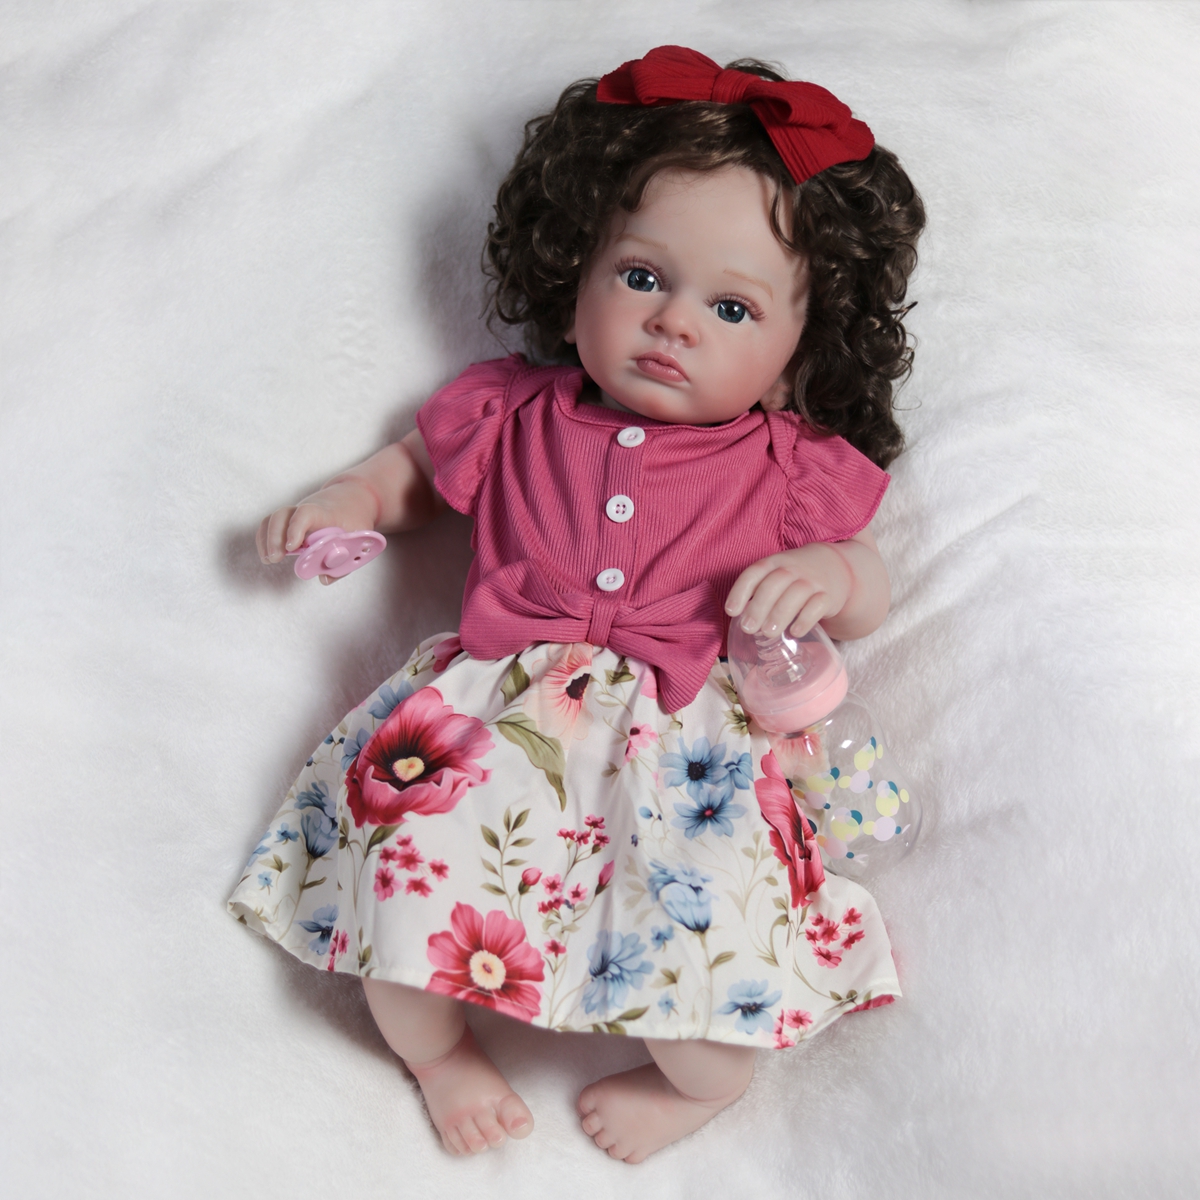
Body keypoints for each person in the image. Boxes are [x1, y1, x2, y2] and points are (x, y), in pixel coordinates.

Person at [231, 45, 925, 1164]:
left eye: (732, 306)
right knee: (399, 909)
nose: (675, 322)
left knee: (709, 969)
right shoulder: (512, 411)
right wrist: (345, 501)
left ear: (802, 352)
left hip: (680, 755)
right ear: (577, 267)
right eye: (643, 277)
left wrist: (835, 578)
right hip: (488, 725)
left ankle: (698, 1091)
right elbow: (412, 473)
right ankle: (440, 1057)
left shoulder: (786, 465)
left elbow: (866, 581)